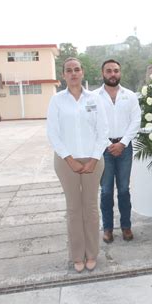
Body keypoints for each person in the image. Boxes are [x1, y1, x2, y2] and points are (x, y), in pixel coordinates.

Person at [47, 57, 109, 272]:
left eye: (76, 69)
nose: (73, 73)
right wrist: (70, 159)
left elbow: (103, 131)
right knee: (74, 209)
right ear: (63, 75)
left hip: (93, 159)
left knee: (91, 208)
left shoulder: (95, 99)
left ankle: (92, 253)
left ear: (82, 72)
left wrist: (93, 159)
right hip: (66, 161)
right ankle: (77, 255)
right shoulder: (57, 101)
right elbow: (53, 133)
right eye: (68, 70)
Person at [94, 59, 141, 243]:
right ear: (102, 73)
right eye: (108, 71)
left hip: (125, 148)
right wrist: (107, 144)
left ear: (120, 73)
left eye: (115, 70)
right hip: (103, 149)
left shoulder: (129, 96)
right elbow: (93, 122)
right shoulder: (94, 97)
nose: (112, 74)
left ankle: (126, 227)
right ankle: (107, 228)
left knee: (123, 190)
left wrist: (123, 143)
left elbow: (136, 121)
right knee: (105, 191)